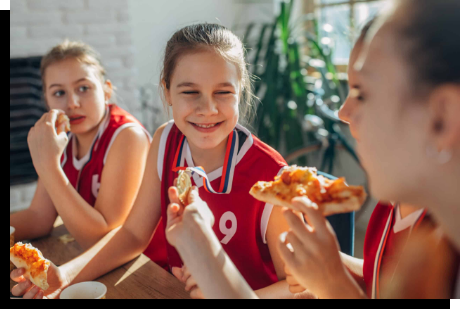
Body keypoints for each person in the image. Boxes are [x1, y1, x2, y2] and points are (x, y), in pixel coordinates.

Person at [11, 24, 309, 299]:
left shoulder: (273, 177)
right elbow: (132, 235)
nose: (207, 108)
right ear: (166, 90)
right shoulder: (166, 139)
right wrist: (63, 276)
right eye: (190, 92)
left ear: (241, 91)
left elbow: (301, 286)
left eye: (223, 92)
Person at [278, 0, 460, 299]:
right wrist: (330, 268)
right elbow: (384, 277)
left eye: (362, 92)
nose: (344, 112)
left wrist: (334, 287)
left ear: (442, 118)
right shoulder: (401, 216)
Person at [10, 41, 151, 251]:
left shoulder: (128, 136)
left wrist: (48, 166)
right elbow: (39, 217)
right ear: (47, 101)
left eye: (83, 88)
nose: (72, 103)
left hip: (150, 267)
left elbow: (102, 241)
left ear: (106, 91)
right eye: (59, 93)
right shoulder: (61, 138)